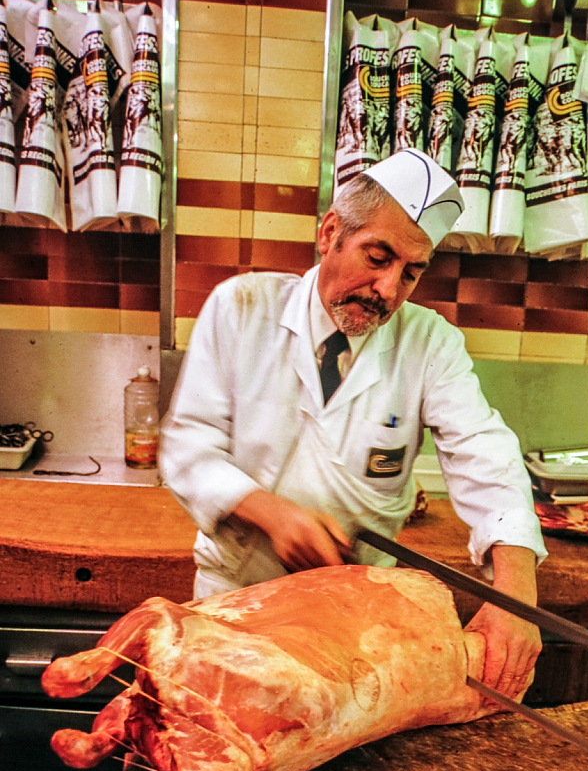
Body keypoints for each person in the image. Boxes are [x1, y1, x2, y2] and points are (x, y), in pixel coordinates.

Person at [160, 148, 547, 699]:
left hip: (358, 622)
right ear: (330, 233)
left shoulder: (430, 343)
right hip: (233, 605)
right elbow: (187, 449)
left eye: (411, 273)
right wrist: (271, 513)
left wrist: (516, 595)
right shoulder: (242, 307)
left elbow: (485, 454)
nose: (388, 290)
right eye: (377, 257)